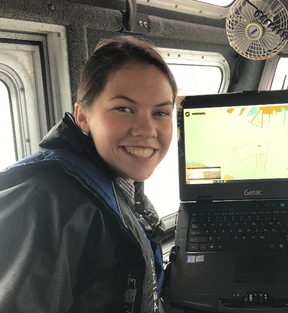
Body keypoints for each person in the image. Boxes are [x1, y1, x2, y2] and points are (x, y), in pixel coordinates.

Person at [0, 35, 179, 313]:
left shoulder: (120, 185)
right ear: (82, 116)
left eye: (161, 113)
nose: (146, 129)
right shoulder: (47, 203)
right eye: (123, 108)